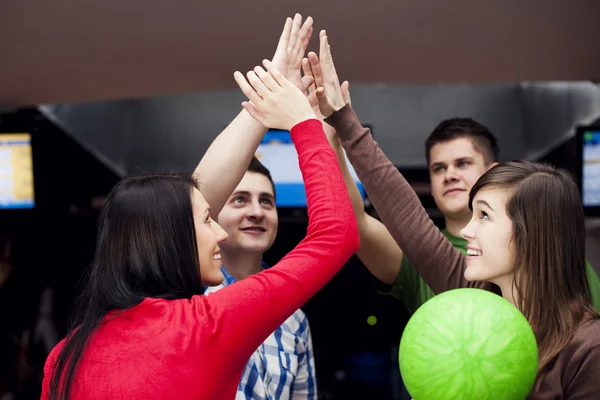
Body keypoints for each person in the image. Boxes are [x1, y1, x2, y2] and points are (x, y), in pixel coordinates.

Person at [40, 22, 359, 400]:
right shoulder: (206, 325)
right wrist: (304, 123)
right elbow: (336, 235)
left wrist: (266, 98)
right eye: (209, 220)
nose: (221, 232)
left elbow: (189, 198)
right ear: (169, 241)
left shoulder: (64, 357)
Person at [306, 33, 600, 398]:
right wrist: (342, 120)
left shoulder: (588, 348)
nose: (468, 231)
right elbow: (407, 216)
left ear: (532, 232)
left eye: (485, 216)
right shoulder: (472, 294)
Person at [204, 156, 317, 399]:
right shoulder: (186, 298)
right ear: (210, 214)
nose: (256, 212)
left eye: (266, 202)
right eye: (239, 200)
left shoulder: (293, 318)